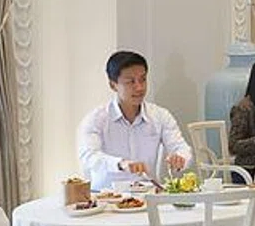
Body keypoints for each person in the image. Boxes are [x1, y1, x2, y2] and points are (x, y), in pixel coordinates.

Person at [76, 50, 190, 187]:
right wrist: (120, 164)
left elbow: (181, 148)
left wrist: (180, 158)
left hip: (147, 194)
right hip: (106, 195)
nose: (139, 87)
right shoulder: (96, 119)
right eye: (131, 82)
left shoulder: (160, 116)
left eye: (143, 79)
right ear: (113, 85)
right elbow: (89, 156)